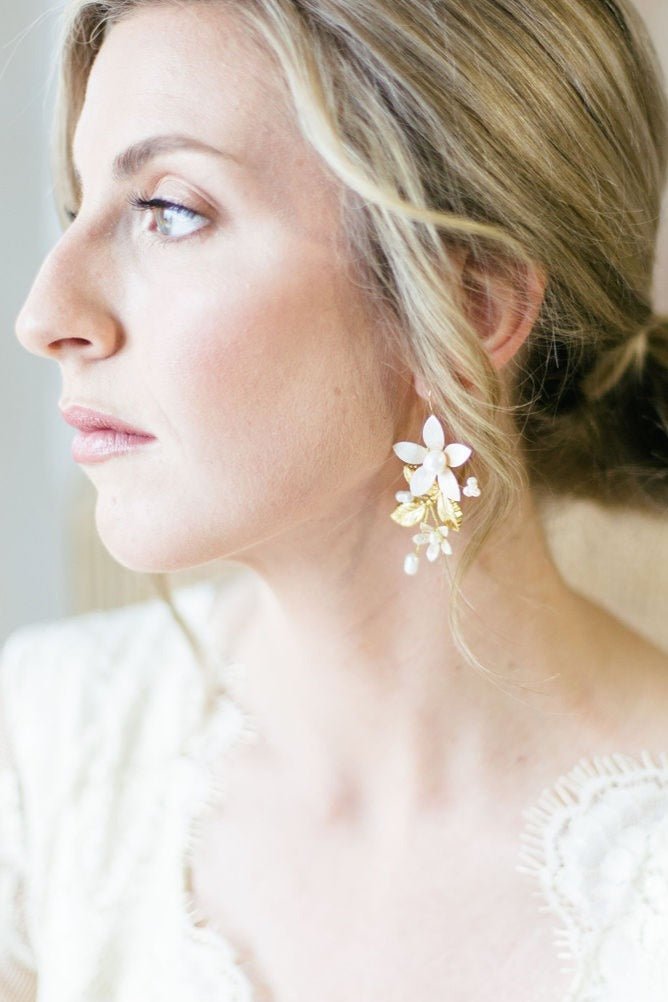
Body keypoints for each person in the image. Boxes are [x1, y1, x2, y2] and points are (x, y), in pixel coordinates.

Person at [3, 0, 668, 998]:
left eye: (169, 209)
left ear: (466, 306)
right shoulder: (47, 749)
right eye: (78, 207)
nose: (45, 316)